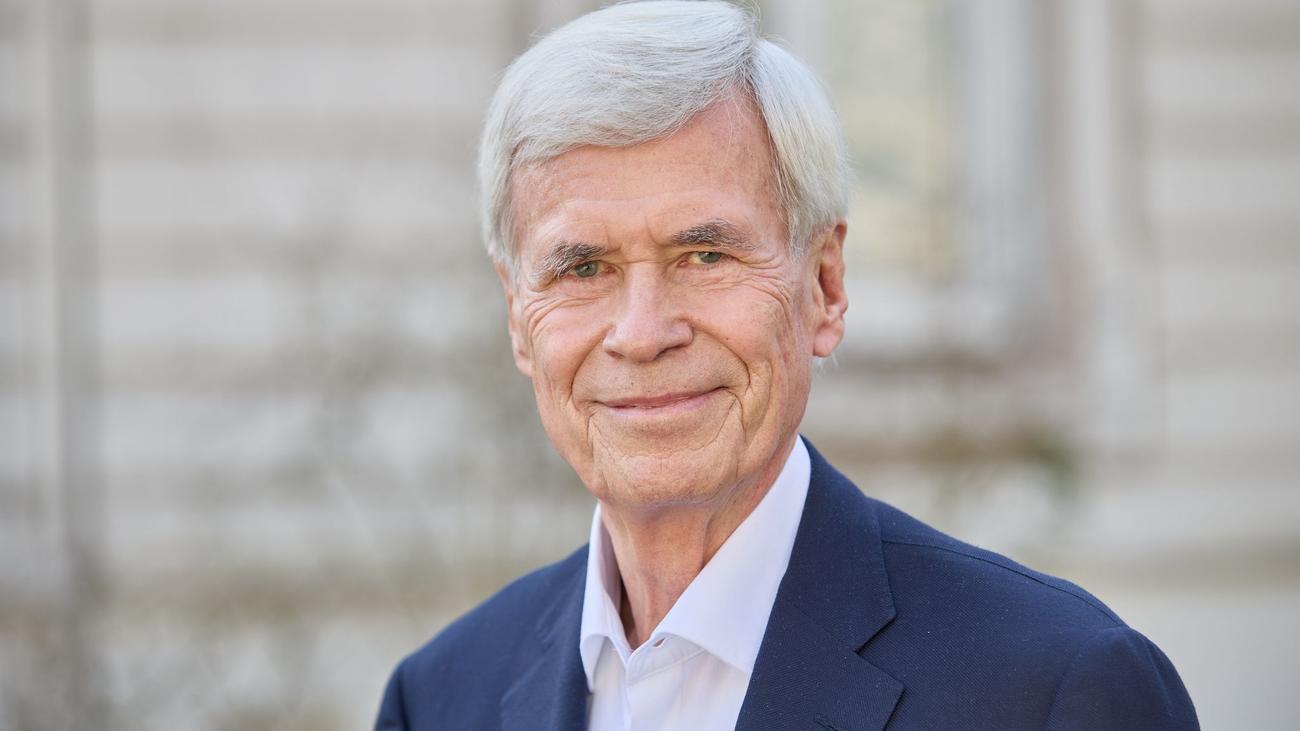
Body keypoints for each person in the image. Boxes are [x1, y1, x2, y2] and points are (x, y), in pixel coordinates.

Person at [375, 2, 1198, 729]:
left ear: (825, 286)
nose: (643, 332)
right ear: (517, 316)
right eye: (583, 268)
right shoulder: (440, 699)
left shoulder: (1054, 690)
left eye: (705, 255)